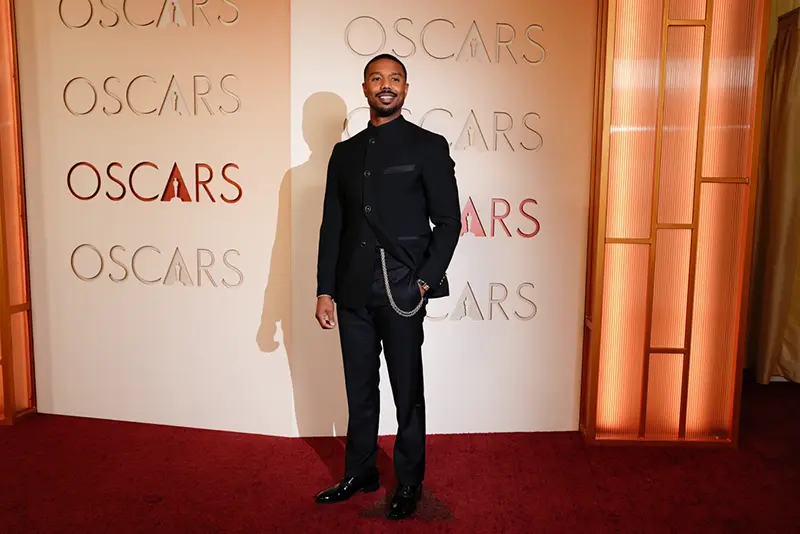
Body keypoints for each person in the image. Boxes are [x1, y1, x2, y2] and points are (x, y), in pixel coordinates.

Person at [313, 53, 461, 520]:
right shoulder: (345, 153)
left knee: (406, 390)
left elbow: (449, 223)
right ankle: (361, 471)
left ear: (406, 88)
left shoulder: (428, 146)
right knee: (359, 387)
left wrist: (422, 281)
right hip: (352, 290)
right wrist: (324, 289)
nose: (386, 86)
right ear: (364, 88)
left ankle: (409, 481)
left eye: (394, 79)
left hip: (401, 291)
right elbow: (331, 225)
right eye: (377, 78)